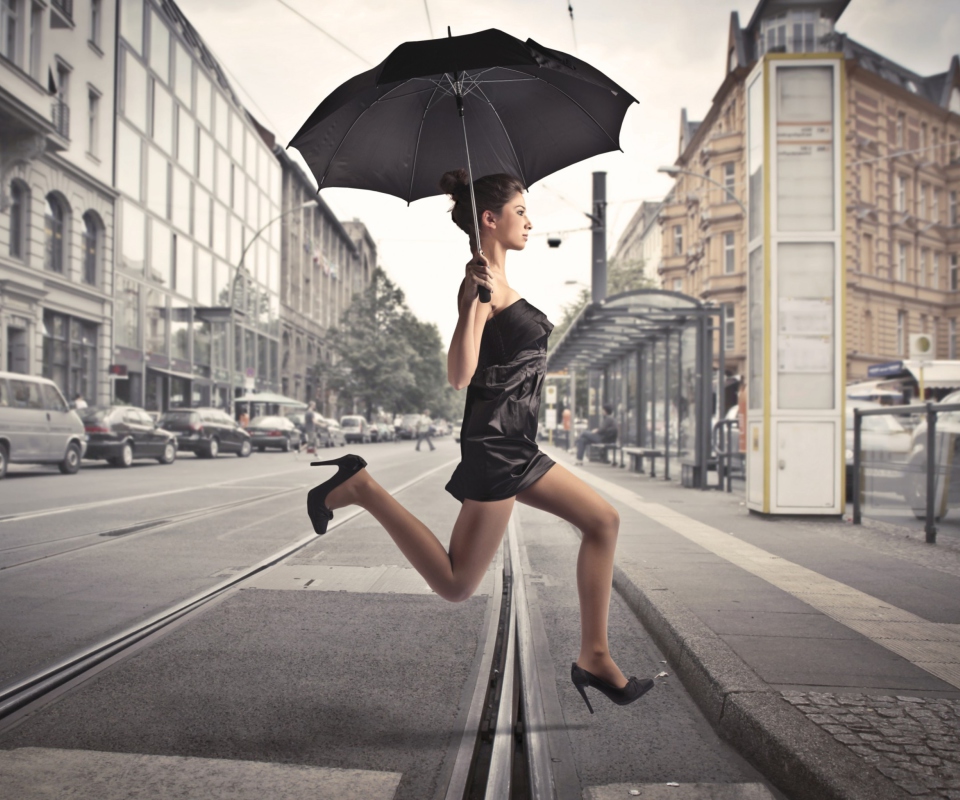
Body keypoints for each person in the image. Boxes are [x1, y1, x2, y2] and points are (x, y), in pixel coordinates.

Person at [306, 170, 653, 713]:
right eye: (520, 211)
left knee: (603, 521)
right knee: (455, 583)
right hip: (497, 449)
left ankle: (595, 655)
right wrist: (474, 303)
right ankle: (361, 487)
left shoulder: (502, 282)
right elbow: (459, 373)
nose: (530, 221)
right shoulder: (480, 286)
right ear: (490, 219)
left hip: (518, 445)